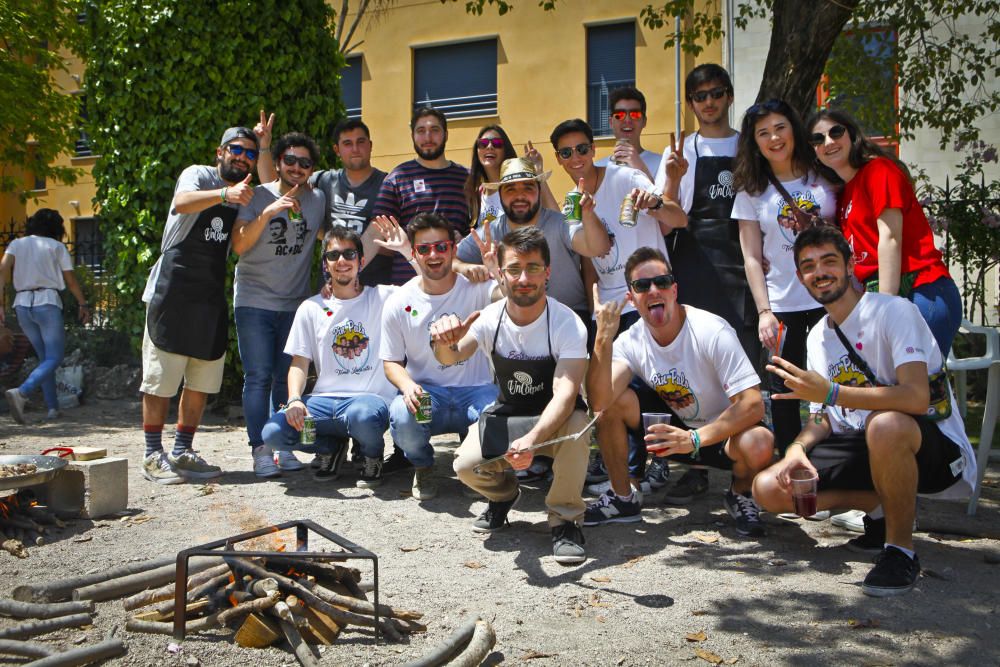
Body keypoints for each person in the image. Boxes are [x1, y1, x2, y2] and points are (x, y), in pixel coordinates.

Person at [752, 225, 976, 596]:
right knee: (768, 487)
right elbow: (823, 417)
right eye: (809, 265)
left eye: (829, 261)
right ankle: (879, 508)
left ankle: (900, 550)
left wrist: (834, 391)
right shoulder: (818, 334)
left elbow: (916, 397)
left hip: (928, 446)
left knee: (884, 424)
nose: (820, 272)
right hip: (864, 445)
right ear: (800, 277)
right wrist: (795, 450)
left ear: (851, 264)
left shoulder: (893, 312)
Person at [585, 247, 774, 537]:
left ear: (674, 290)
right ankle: (623, 498)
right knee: (612, 402)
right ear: (631, 297)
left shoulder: (711, 330)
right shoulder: (631, 339)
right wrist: (602, 339)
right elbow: (599, 401)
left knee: (760, 442)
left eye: (661, 282)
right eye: (642, 285)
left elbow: (752, 405)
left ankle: (740, 493)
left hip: (720, 434)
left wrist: (695, 439)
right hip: (671, 431)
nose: (653, 290)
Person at [434, 227, 590, 564]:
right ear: (501, 274)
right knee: (464, 465)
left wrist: (531, 440)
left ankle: (565, 520)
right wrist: (443, 342)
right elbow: (451, 357)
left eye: (533, 268)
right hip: (510, 413)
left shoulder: (568, 323)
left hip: (557, 420)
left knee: (580, 427)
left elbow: (566, 394)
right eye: (514, 269)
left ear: (547, 272)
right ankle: (504, 495)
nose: (524, 278)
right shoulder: (489, 318)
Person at [552, 118, 687, 499]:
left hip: (650, 297)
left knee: (657, 383)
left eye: (581, 148)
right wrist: (589, 213)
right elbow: (595, 251)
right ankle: (629, 473)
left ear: (593, 149)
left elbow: (678, 218)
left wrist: (657, 202)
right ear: (559, 159)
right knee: (607, 391)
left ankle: (657, 460)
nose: (576, 157)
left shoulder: (625, 178)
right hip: (611, 308)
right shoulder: (571, 204)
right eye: (566, 152)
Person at [653, 64, 756, 505]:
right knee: (695, 364)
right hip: (695, 259)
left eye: (716, 93)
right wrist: (673, 175)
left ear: (729, 96)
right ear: (691, 103)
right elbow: (665, 211)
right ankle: (695, 465)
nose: (708, 102)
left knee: (742, 363)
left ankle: (744, 469)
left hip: (744, 262)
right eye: (699, 95)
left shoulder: (749, 146)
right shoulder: (681, 150)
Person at [139, 126, 259, 484]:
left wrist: (263, 153)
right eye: (235, 149)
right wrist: (226, 193)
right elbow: (182, 202)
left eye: (250, 153)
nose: (242, 157)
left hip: (209, 293)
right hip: (172, 289)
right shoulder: (198, 174)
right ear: (218, 152)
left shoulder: (245, 193)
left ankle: (183, 450)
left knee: (201, 380)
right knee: (160, 380)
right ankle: (151, 454)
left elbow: (239, 241)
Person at [807, 109, 962, 356]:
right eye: (818, 139)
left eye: (836, 132)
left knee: (922, 389)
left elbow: (889, 239)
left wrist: (885, 309)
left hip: (921, 292)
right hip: (887, 295)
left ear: (851, 134)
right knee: (898, 389)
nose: (828, 142)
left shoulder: (880, 171)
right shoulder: (846, 192)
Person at [731, 99, 837, 455]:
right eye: (763, 133)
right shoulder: (751, 188)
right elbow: (750, 255)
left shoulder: (824, 174)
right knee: (785, 390)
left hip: (831, 300)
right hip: (782, 303)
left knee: (834, 384)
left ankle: (836, 461)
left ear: (794, 129)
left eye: (780, 128)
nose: (774, 138)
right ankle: (792, 465)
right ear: (754, 142)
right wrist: (764, 311)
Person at [260, 226, 402, 481]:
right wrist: (294, 399)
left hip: (368, 400)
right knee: (273, 433)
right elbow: (299, 362)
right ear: (325, 264)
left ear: (362, 260)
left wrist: (405, 249)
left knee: (363, 416)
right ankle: (329, 447)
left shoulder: (382, 298)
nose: (342, 261)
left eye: (349, 254)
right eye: (333, 255)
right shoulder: (311, 307)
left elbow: (425, 287)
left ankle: (372, 454)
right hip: (323, 401)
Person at [379, 212, 500, 499]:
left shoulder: (479, 287)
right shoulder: (399, 301)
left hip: (476, 389)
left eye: (441, 247)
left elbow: (512, 299)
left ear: (453, 250)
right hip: (428, 393)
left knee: (496, 415)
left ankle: (476, 466)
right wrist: (408, 387)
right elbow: (391, 362)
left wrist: (496, 271)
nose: (433, 255)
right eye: (424, 249)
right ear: (414, 253)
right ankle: (423, 466)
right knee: (401, 413)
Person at [232, 132, 326, 478]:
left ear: (312, 169)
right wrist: (270, 211)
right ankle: (260, 449)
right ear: (279, 163)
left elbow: (327, 237)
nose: (297, 167)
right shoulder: (257, 196)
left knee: (284, 380)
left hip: (294, 304)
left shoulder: (317, 201)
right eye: (290, 160)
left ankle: (281, 445)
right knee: (256, 377)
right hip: (254, 300)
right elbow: (239, 244)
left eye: (305, 163)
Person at [0, 209, 91, 423]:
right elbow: (70, 281)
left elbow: (3, 271)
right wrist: (83, 303)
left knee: (45, 358)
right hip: (47, 302)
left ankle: (52, 408)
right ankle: (22, 392)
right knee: (55, 357)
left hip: (22, 304)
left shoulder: (16, 244)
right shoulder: (56, 246)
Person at [373, 107, 470, 285]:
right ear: (412, 136)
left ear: (446, 134)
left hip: (458, 286)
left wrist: (465, 241)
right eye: (421, 131)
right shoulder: (398, 178)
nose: (427, 138)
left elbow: (480, 227)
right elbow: (378, 234)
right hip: (408, 285)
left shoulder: (467, 179)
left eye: (434, 130)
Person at [595, 86, 662, 179]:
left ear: (644, 121)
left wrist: (639, 165)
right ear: (611, 122)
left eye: (635, 114)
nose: (627, 120)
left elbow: (662, 194)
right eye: (619, 115)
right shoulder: (598, 169)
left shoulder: (661, 164)